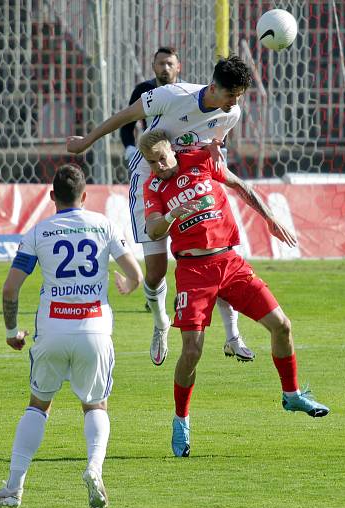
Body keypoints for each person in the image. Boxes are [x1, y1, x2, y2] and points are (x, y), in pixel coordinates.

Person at [138, 130, 330, 458]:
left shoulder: (200, 160)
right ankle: (181, 418)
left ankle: (292, 394)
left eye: (161, 158)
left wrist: (269, 218)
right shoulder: (154, 187)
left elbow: (239, 185)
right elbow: (153, 228)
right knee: (192, 351)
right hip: (193, 271)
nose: (158, 166)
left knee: (282, 325)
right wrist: (173, 215)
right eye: (151, 163)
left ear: (172, 148)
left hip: (230, 261)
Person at [68, 55, 255, 368]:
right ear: (213, 88)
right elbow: (126, 115)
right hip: (151, 181)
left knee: (214, 257)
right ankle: (160, 323)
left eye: (239, 96)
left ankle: (233, 335)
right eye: (231, 95)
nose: (236, 102)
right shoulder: (173, 96)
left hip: (189, 184)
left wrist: (214, 148)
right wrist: (87, 141)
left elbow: (217, 137)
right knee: (155, 273)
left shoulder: (231, 111)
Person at [0, 164, 143, 508]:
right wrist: (128, 285)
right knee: (95, 405)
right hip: (95, 332)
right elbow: (136, 273)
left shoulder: (39, 232)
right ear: (85, 196)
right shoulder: (103, 224)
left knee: (38, 404)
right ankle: (94, 469)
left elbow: (10, 287)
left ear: (52, 196)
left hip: (52, 330)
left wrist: (12, 333)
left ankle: (14, 486)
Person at [120, 46, 182, 166]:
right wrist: (130, 150)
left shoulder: (186, 91)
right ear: (153, 66)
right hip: (151, 155)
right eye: (161, 63)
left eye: (170, 64)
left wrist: (221, 149)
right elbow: (127, 124)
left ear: (178, 67)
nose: (165, 68)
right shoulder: (142, 90)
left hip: (181, 152)